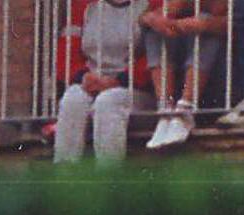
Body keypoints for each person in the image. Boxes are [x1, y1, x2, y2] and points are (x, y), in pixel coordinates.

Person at [51, 0, 145, 162]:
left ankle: (108, 180)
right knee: (72, 97)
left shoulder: (150, 4)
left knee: (109, 101)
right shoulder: (82, 5)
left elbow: (156, 57)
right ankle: (64, 176)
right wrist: (83, 76)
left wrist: (120, 80)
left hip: (135, 88)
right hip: (91, 81)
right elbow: (65, 53)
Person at [140, 1, 229, 146]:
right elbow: (145, 16)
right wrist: (151, 18)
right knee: (154, 28)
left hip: (218, 80)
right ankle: (166, 111)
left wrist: (202, 22)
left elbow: (227, 16)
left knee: (204, 25)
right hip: (178, 71)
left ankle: (185, 110)